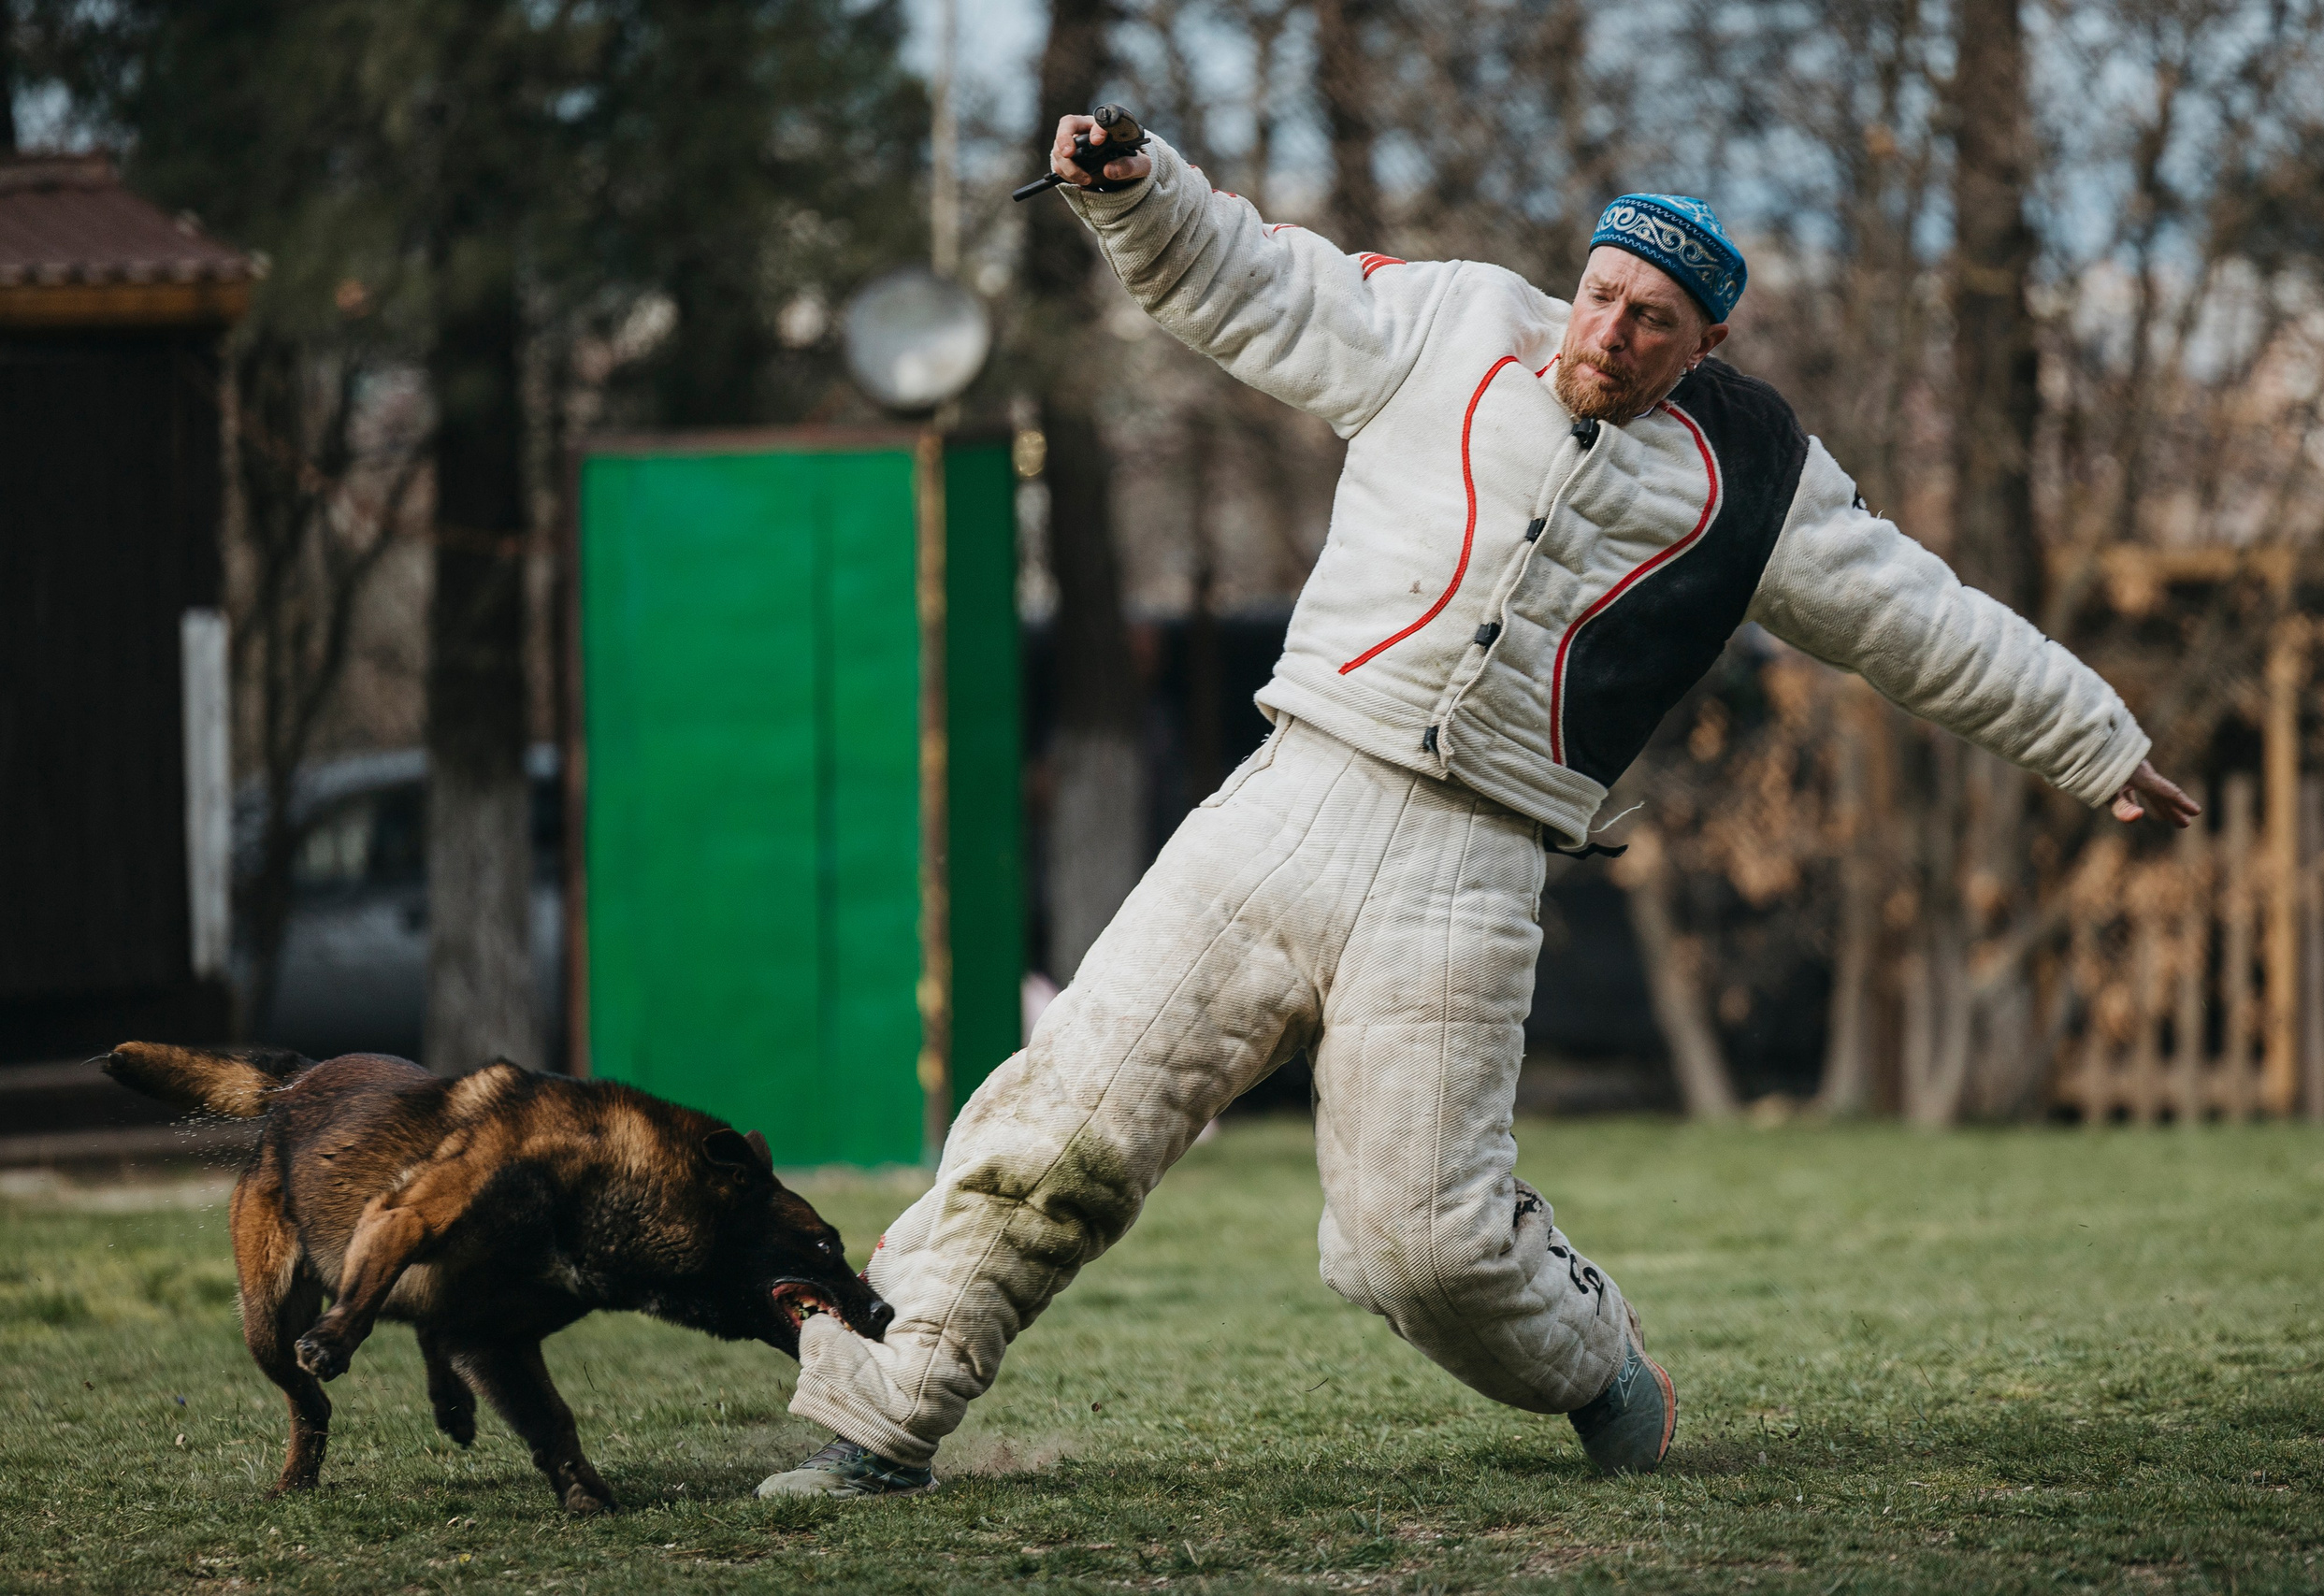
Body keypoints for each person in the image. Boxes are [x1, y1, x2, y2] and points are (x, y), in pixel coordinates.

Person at [758, 115, 2201, 1500]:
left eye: (1653, 322)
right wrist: (1132, 188)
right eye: (1602, 294)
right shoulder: (1449, 324)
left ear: (1710, 346)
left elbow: (1920, 620)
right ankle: (882, 1418)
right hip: (1285, 801)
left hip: (1471, 869)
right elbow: (1254, 277)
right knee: (1056, 1126)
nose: (1611, 333)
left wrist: (2098, 741)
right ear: (1577, 280)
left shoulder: (1752, 484)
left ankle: (1603, 1368)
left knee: (1421, 1250)